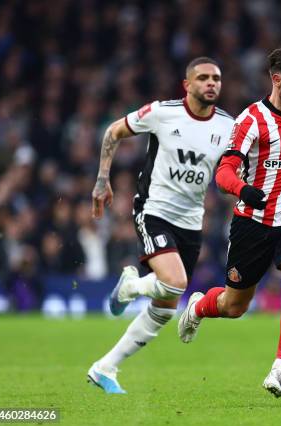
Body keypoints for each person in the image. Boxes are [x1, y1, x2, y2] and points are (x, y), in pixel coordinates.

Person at [177, 47, 281, 398]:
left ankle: (279, 368)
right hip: (253, 222)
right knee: (234, 307)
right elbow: (223, 172)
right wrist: (243, 189)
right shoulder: (251, 120)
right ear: (277, 79)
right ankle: (199, 306)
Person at [87, 57, 234, 393]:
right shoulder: (163, 112)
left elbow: (235, 169)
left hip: (192, 222)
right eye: (203, 78)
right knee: (177, 282)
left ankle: (105, 367)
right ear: (188, 85)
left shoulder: (229, 126)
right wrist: (102, 179)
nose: (211, 83)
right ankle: (132, 287)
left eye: (216, 78)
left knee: (166, 307)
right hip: (154, 210)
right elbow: (114, 131)